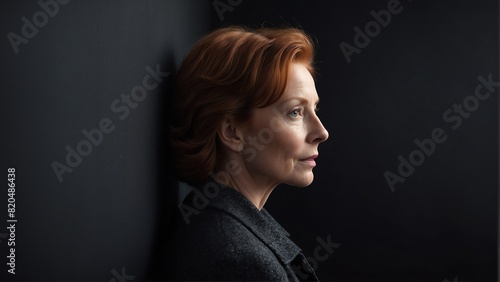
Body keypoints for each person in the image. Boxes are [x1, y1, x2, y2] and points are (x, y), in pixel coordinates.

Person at [162, 25, 329, 281]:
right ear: (232, 132)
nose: (322, 132)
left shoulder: (226, 228)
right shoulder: (238, 259)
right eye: (295, 112)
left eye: (314, 109)